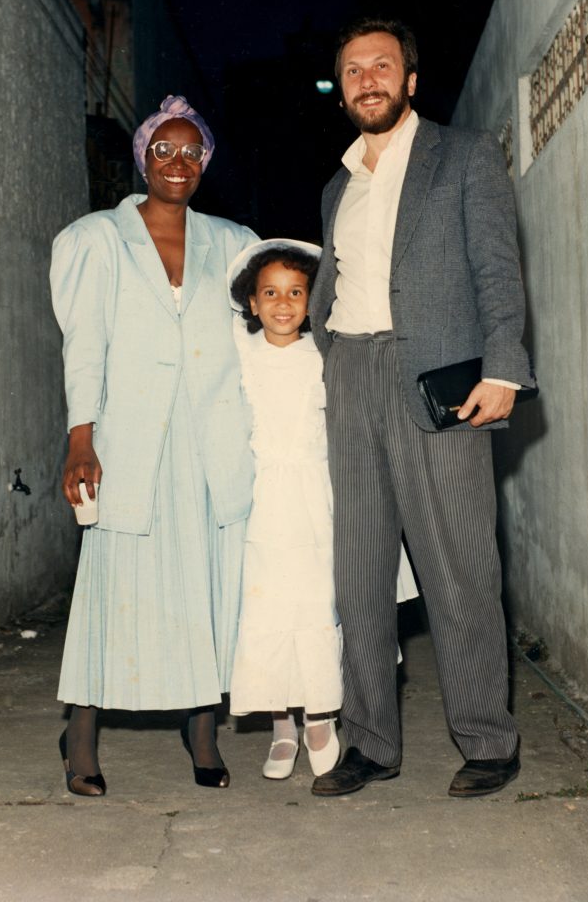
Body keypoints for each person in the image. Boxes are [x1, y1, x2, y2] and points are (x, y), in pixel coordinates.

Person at [308, 18, 536, 799]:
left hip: (440, 379)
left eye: (382, 65)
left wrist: (504, 368)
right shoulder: (337, 185)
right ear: (341, 89)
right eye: (351, 70)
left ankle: (486, 740)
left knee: (458, 562)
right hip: (352, 376)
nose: (366, 78)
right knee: (360, 572)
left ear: (410, 79)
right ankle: (369, 742)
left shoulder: (465, 156)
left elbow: (497, 273)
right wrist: (329, 363)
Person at [50, 94, 258, 795]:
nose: (177, 162)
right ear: (142, 158)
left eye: (190, 151)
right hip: (130, 442)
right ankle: (80, 736)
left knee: (208, 584)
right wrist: (82, 437)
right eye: (163, 150)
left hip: (210, 440)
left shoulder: (232, 241)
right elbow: (85, 345)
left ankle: (202, 730)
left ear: (205, 162)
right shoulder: (96, 239)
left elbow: (261, 337)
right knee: (112, 587)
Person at [226, 240, 342, 781]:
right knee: (268, 606)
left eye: (296, 293)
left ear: (312, 301)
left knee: (315, 600)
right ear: (251, 303)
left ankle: (320, 713)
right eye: (269, 293)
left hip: (316, 495)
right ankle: (282, 726)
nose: (282, 303)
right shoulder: (241, 353)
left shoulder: (324, 354)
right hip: (263, 497)